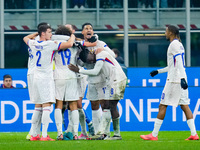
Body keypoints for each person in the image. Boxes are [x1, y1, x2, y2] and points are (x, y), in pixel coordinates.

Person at [140, 25, 199, 141]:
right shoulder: (179, 44)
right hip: (180, 78)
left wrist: (181, 78)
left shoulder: (174, 45)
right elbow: (174, 65)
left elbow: (180, 63)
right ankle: (194, 134)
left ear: (171, 33)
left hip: (174, 80)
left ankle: (154, 135)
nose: (165, 33)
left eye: (166, 31)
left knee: (162, 105)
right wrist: (158, 71)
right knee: (184, 105)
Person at [23, 24, 75, 141]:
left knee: (38, 106)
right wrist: (72, 35)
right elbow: (70, 44)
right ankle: (45, 135)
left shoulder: (33, 43)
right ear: (43, 33)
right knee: (47, 106)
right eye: (49, 32)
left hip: (35, 77)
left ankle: (34, 134)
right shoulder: (50, 44)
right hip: (45, 78)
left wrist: (35, 34)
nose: (51, 34)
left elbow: (25, 38)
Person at [68, 47, 127, 140]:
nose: (91, 62)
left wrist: (79, 70)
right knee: (108, 106)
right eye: (88, 61)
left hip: (117, 80)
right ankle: (107, 133)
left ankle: (108, 133)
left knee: (111, 105)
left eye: (90, 59)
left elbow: (95, 72)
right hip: (110, 81)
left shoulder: (101, 54)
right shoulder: (95, 55)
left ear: (91, 53)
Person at [64, 24, 95, 139]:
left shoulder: (81, 43)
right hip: (68, 76)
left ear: (73, 30)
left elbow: (89, 43)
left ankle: (87, 125)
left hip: (80, 75)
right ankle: (81, 131)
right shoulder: (65, 42)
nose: (67, 31)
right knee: (69, 105)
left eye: (69, 29)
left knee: (77, 104)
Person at [52, 25, 80, 140]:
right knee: (73, 106)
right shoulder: (74, 45)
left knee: (58, 105)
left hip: (58, 76)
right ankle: (76, 134)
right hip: (71, 75)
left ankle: (59, 133)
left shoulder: (55, 44)